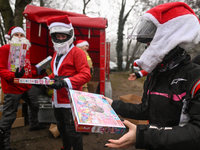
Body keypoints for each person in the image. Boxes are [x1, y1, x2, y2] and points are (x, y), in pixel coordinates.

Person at [103, 2, 200, 150]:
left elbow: (196, 132)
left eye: (152, 43)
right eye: (147, 44)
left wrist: (143, 136)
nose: (148, 49)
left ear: (174, 40)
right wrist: (112, 105)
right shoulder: (156, 74)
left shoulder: (194, 77)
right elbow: (146, 110)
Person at [45, 15, 91, 150]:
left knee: (73, 133)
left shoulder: (78, 53)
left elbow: (85, 75)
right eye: (57, 36)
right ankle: (65, 147)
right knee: (62, 129)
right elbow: (56, 73)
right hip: (57, 100)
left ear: (69, 35)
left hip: (70, 101)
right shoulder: (56, 53)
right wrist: (47, 80)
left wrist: (65, 82)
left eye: (63, 36)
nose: (60, 39)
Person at [0, 26, 46, 150]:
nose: (20, 37)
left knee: (34, 105)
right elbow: (1, 69)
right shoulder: (5, 49)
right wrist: (13, 75)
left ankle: (34, 125)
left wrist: (38, 73)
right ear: (11, 37)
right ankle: (4, 144)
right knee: (9, 116)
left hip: (26, 86)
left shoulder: (25, 50)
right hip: (12, 88)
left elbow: (26, 70)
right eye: (17, 35)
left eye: (22, 35)